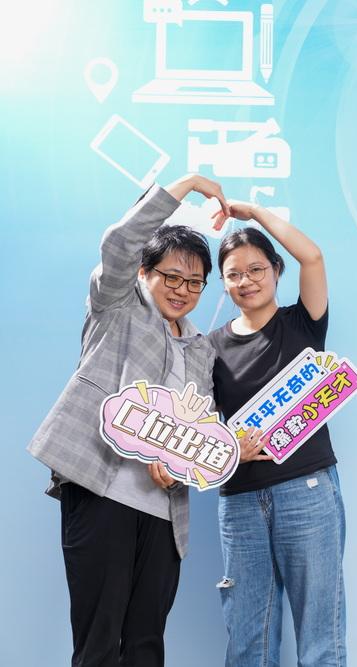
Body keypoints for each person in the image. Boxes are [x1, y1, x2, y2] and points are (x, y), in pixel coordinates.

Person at [27, 174, 229, 666]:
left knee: (146, 645)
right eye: (171, 277)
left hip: (164, 513)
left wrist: (180, 467)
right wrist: (189, 183)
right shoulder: (117, 305)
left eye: (195, 283)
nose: (182, 290)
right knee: (98, 642)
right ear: (144, 271)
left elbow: (197, 426)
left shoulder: (201, 349)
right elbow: (119, 242)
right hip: (101, 490)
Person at [209, 203, 346, 667]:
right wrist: (229, 447)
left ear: (275, 270)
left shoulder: (302, 322)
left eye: (256, 269)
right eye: (233, 274)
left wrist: (252, 213)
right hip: (240, 501)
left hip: (305, 490)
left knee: (320, 633)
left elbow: (313, 256)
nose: (245, 281)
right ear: (223, 283)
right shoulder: (209, 347)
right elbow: (202, 426)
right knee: (248, 636)